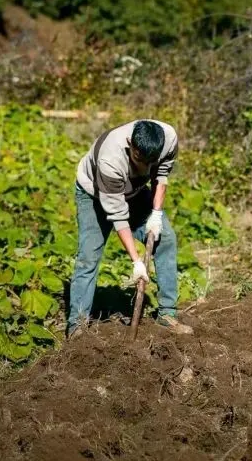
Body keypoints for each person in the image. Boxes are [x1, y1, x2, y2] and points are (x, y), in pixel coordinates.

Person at [68, 120, 194, 336]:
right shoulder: (110, 158)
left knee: (166, 239)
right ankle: (77, 326)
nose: (144, 167)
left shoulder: (168, 139)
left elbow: (161, 176)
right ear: (130, 145)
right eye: (139, 160)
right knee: (88, 257)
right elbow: (118, 216)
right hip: (95, 195)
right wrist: (137, 261)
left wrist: (156, 213)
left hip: (134, 192)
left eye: (150, 162)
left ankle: (167, 314)